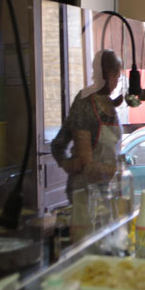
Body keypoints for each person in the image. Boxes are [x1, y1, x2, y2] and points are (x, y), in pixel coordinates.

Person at [51, 49, 124, 200]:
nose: (118, 82)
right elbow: (89, 168)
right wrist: (68, 163)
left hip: (107, 190)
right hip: (86, 192)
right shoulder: (85, 101)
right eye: (117, 76)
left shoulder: (107, 102)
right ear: (108, 74)